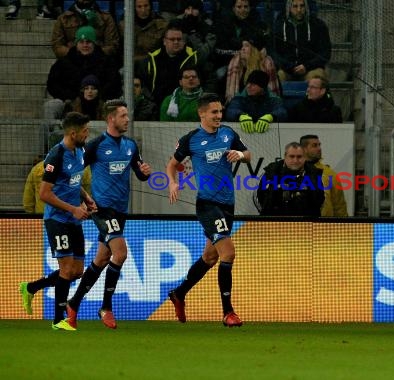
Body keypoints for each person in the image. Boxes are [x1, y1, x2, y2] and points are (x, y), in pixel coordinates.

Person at [165, 93, 251, 327]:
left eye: (220, 112)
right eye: (214, 112)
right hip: (207, 204)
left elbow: (248, 154)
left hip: (227, 204)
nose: (218, 116)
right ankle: (228, 312)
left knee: (210, 256)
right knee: (228, 253)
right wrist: (173, 182)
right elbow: (172, 165)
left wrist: (241, 154)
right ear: (201, 113)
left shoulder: (228, 133)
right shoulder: (191, 139)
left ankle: (179, 293)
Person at [66, 100, 152, 330]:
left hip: (120, 210)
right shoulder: (95, 146)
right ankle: (106, 306)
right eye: (123, 115)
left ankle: (73, 304)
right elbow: (73, 174)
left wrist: (145, 173)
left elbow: (140, 173)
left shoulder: (130, 146)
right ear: (110, 119)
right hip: (101, 209)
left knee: (102, 259)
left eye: (127, 114)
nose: (127, 119)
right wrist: (82, 200)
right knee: (120, 253)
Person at [19, 112, 95, 330]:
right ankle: (58, 320)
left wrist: (86, 199)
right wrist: (73, 209)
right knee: (66, 268)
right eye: (84, 131)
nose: (87, 134)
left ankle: (31, 287)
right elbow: (44, 194)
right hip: (57, 220)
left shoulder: (79, 151)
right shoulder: (55, 156)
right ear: (73, 133)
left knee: (77, 271)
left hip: (73, 219)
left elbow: (73, 181)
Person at [137, 23, 200, 107]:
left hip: (186, 104)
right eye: (172, 39)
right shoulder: (152, 59)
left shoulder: (193, 57)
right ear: (164, 41)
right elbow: (144, 85)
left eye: (179, 39)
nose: (176, 42)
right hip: (156, 104)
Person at [212, 0, 269, 94]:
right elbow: (219, 49)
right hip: (226, 62)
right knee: (220, 74)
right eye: (239, 7)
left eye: (246, 7)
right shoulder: (223, 24)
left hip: (251, 62)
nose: (243, 10)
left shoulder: (255, 24)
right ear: (233, 8)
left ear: (250, 8)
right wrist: (240, 50)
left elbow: (259, 44)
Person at [256, 141, 324, 216]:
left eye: (299, 157)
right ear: (285, 157)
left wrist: (301, 192)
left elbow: (319, 201)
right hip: (275, 221)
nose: (295, 160)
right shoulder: (271, 172)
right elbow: (261, 199)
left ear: (304, 158)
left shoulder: (314, 174)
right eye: (291, 156)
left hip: (305, 222)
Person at [273, 0, 331, 82]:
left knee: (317, 78)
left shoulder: (318, 25)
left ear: (306, 7)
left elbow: (325, 53)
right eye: (295, 6)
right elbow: (274, 53)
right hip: (287, 69)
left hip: (311, 69)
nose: (299, 10)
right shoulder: (278, 26)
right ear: (289, 8)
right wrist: (289, 67)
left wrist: (307, 66)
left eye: (302, 6)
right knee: (278, 78)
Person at [51, 0, 120, 59]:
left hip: (99, 63)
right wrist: (75, 54)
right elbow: (57, 46)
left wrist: (93, 53)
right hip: (72, 63)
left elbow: (112, 46)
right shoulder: (63, 19)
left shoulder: (106, 18)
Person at [300, 134, 347, 216]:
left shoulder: (329, 173)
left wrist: (343, 226)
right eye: (314, 146)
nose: (319, 148)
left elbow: (339, 205)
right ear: (304, 149)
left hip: (324, 225)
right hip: (299, 225)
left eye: (319, 145)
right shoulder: (293, 172)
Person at [23, 159, 92, 214]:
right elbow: (90, 197)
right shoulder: (82, 168)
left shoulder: (37, 169)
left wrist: (34, 218)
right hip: (72, 217)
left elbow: (28, 202)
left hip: (44, 218)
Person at [225, 36, 280, 104]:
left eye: (247, 46)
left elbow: (272, 95)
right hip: (241, 107)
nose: (242, 48)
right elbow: (232, 102)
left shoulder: (266, 64)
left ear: (255, 50)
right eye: (242, 46)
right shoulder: (236, 65)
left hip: (263, 106)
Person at [119, 0, 168, 65]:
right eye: (139, 7)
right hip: (130, 64)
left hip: (154, 63)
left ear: (150, 6)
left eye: (146, 6)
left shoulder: (162, 24)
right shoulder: (124, 25)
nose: (143, 10)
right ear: (134, 8)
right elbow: (120, 50)